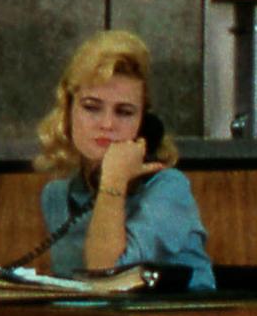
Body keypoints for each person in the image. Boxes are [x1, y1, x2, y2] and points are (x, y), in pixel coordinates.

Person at [35, 30, 215, 290]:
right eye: (91, 107)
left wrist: (114, 180)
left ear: (144, 125)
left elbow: (105, 277)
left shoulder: (169, 190)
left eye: (124, 112)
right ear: (67, 111)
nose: (107, 124)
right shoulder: (57, 195)